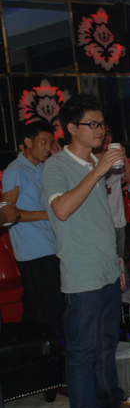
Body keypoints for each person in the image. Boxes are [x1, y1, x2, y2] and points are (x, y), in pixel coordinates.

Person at [42, 95, 130, 408]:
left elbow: (101, 220)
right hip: (82, 274)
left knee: (106, 344)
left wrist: (116, 261)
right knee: (83, 352)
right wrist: (100, 169)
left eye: (102, 123)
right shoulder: (57, 165)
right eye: (92, 124)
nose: (100, 129)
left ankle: (110, 403)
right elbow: (61, 209)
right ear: (72, 128)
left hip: (106, 268)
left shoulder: (92, 163)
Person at [1, 121, 63, 341]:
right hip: (33, 249)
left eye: (50, 142)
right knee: (43, 312)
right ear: (27, 142)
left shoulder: (40, 167)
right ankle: (46, 354)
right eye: (42, 142)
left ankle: (45, 353)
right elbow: (8, 212)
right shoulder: (16, 170)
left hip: (49, 244)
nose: (47, 147)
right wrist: (47, 214)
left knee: (48, 307)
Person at [92, 126, 130, 258]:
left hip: (117, 221)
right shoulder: (90, 160)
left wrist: (123, 156)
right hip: (97, 224)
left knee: (119, 262)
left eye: (108, 133)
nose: (106, 137)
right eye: (102, 133)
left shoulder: (116, 160)